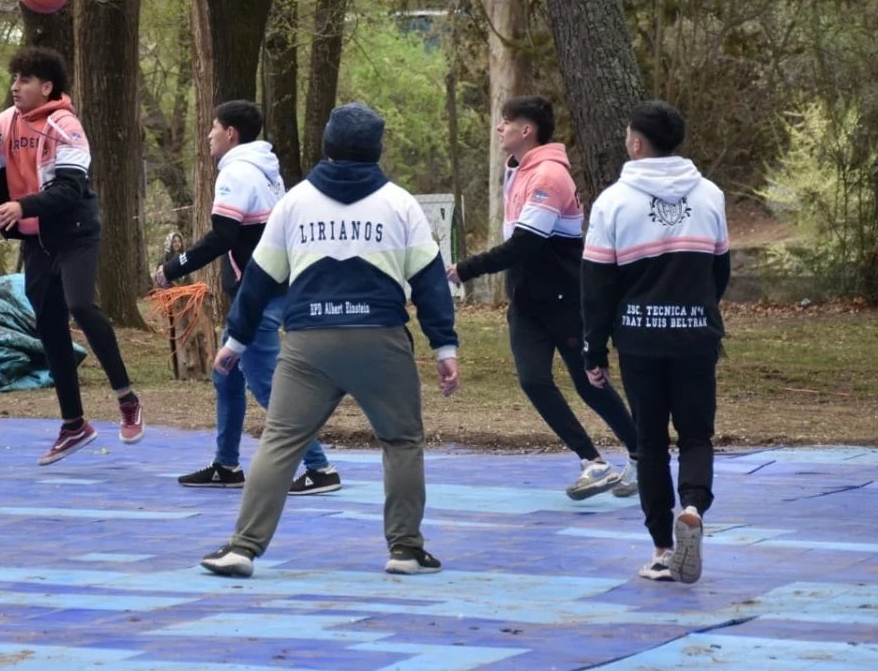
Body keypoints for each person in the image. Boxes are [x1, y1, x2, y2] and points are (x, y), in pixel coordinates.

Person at [199, 103, 460, 579]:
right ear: (376, 149)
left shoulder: (294, 203)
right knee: (401, 441)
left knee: (280, 441)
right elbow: (430, 283)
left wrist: (236, 340)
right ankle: (405, 549)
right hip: (379, 341)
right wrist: (445, 347)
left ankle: (243, 547)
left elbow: (258, 279)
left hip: (307, 343)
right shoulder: (400, 203)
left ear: (327, 145)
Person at [0, 46, 144, 465]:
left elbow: (70, 189)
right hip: (38, 240)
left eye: (25, 80)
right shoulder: (2, 124)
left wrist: (22, 206)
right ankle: (74, 424)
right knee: (49, 327)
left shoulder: (65, 126)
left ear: (46, 87)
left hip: (75, 234)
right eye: (14, 79)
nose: (15, 87)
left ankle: (126, 398)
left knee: (80, 305)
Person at [447, 96, 638, 500]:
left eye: (506, 122)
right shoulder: (515, 170)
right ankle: (593, 462)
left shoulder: (550, 175)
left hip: (565, 299)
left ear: (526, 130)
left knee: (590, 383)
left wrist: (465, 268)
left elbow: (526, 245)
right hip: (527, 302)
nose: (500, 128)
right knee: (533, 380)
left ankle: (642, 456)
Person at [152, 101, 340, 495]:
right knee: (226, 376)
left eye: (213, 128)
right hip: (272, 287)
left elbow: (223, 236)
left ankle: (320, 469)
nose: (208, 136)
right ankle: (226, 465)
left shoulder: (237, 173)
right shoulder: (265, 171)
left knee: (267, 385)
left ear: (231, 133)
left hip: (259, 294)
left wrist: (173, 267)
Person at [581, 100, 729, 584]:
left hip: (640, 342)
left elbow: (597, 285)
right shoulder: (710, 196)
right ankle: (693, 508)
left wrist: (595, 348)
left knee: (649, 444)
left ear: (637, 142)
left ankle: (664, 550)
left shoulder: (613, 201)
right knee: (696, 437)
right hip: (696, 338)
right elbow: (719, 272)